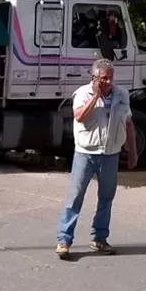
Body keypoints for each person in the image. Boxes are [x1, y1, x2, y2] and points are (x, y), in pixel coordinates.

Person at [56, 58, 137, 259]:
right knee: (75, 197)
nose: (108, 82)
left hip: (110, 154)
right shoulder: (82, 93)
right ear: (94, 78)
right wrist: (95, 96)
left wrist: (132, 150)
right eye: (103, 78)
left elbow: (128, 122)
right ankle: (64, 240)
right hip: (86, 153)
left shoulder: (122, 95)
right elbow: (79, 117)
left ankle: (99, 238)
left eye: (110, 78)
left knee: (106, 198)